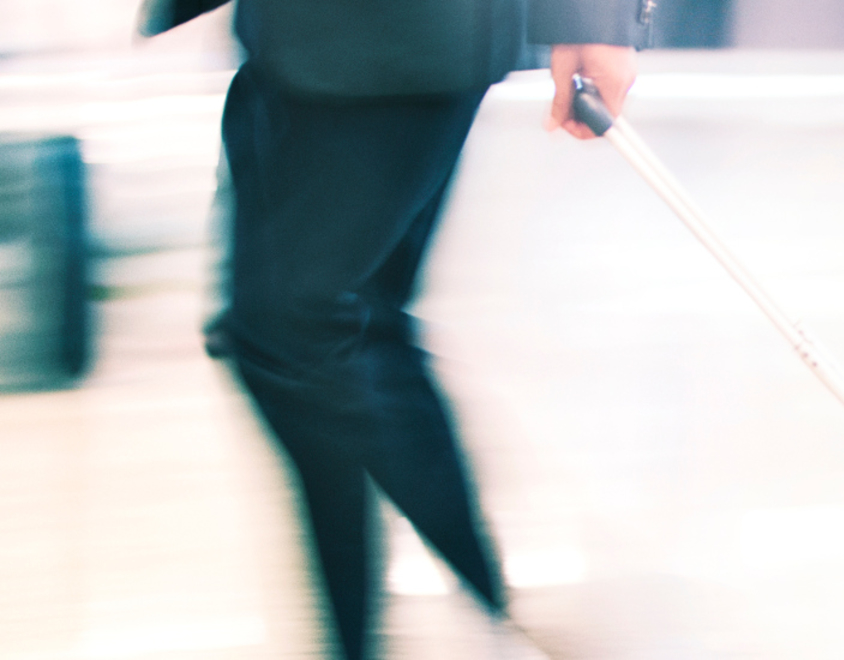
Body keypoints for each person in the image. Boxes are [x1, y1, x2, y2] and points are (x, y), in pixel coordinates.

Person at [141, 1, 650, 658]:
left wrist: (595, 18)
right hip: (292, 36)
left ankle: (500, 611)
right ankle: (449, 620)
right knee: (316, 337)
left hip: (404, 37)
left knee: (294, 333)